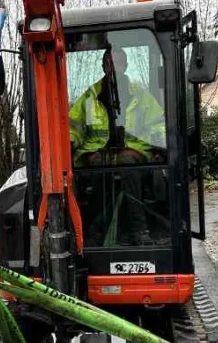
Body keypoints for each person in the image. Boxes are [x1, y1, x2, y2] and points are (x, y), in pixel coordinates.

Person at [69, 47, 166, 245]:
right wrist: (70, 141)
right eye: (110, 63)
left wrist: (160, 144)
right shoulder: (90, 96)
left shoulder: (140, 95)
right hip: (98, 151)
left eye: (119, 63)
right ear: (103, 66)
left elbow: (158, 123)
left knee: (129, 165)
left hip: (131, 149)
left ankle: (138, 231)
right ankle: (94, 233)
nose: (114, 67)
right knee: (97, 171)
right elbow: (74, 126)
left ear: (126, 66)